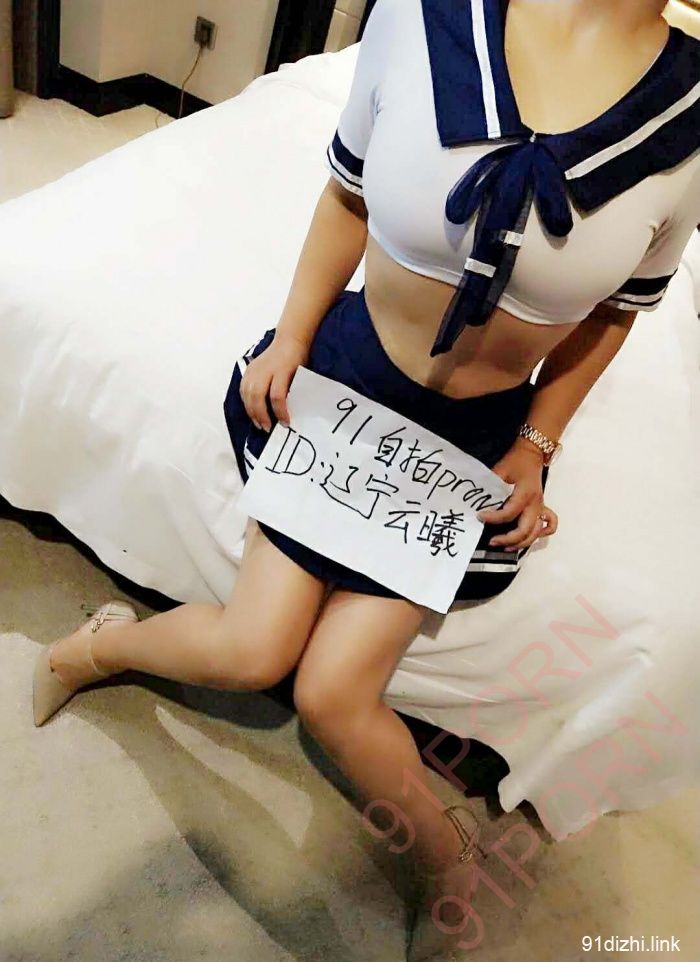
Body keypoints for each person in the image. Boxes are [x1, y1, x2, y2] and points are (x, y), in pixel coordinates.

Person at [34, 0, 700, 957]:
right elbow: (347, 196)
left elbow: (616, 311)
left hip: (462, 448)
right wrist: (292, 339)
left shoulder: (686, 121)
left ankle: (448, 857)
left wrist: (536, 445)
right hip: (348, 389)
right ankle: (100, 646)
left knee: (335, 696)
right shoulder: (422, 17)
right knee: (252, 651)